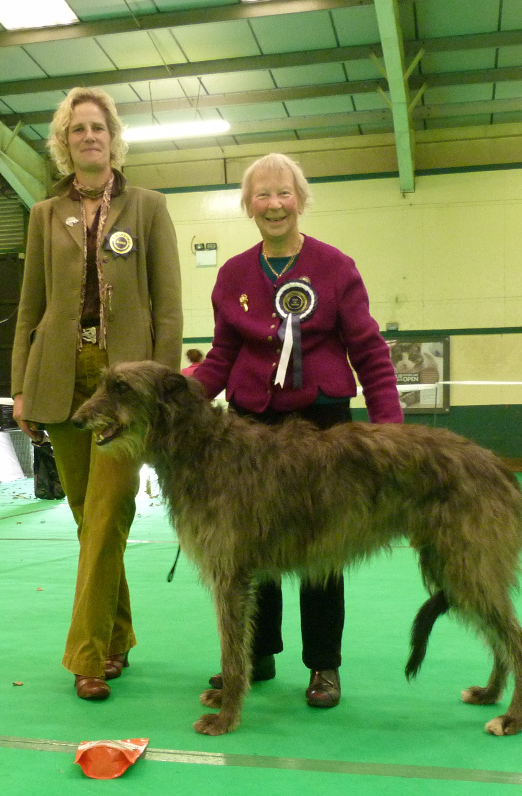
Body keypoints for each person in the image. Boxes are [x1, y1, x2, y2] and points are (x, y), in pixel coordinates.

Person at [191, 152, 402, 709]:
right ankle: (256, 656)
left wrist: (390, 431)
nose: (274, 203)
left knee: (321, 550)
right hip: (250, 430)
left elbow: (371, 354)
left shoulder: (335, 266)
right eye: (262, 195)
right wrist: (176, 394)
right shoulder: (233, 274)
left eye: (283, 193)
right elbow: (220, 357)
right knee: (250, 548)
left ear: (301, 199)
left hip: (323, 426)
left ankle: (323, 666)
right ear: (248, 206)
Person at [11, 87, 183, 701]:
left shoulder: (148, 208)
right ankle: (118, 638)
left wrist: (161, 391)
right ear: (65, 143)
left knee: (109, 514)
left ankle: (85, 655)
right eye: (77, 129)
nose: (89, 136)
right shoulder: (42, 215)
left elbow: (168, 307)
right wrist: (20, 389)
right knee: (90, 520)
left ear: (113, 138)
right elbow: (30, 306)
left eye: (98, 127)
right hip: (60, 380)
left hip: (126, 388)